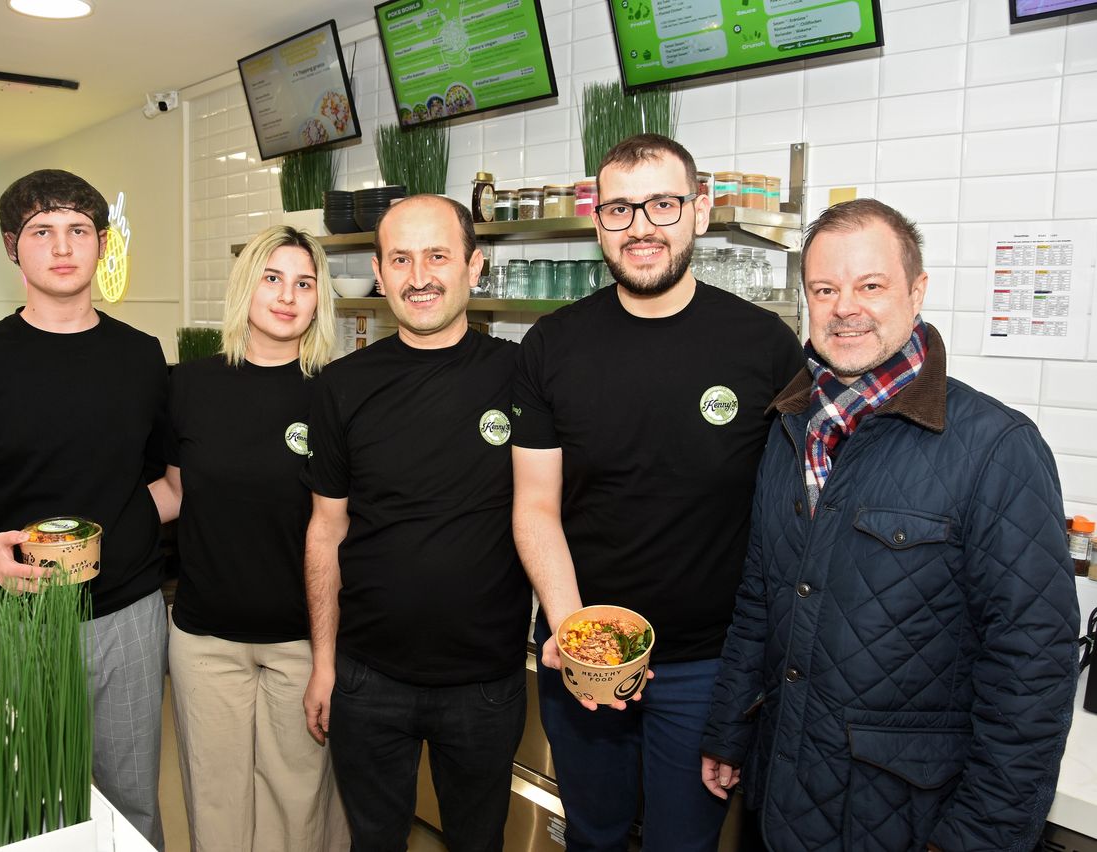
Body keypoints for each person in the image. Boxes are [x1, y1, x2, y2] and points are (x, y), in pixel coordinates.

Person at [699, 198, 1079, 851]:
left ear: (917, 291)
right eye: (825, 288)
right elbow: (760, 599)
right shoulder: (791, 428)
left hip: (905, 820)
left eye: (870, 285)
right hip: (781, 795)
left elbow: (1031, 672)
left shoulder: (996, 447)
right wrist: (730, 729)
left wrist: (977, 839)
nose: (846, 306)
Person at [511, 133, 804, 851]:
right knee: (595, 834)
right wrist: (578, 636)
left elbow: (792, 517)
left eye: (663, 204)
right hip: (584, 650)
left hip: (710, 667)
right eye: (619, 209)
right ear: (598, 221)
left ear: (700, 211)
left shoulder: (765, 345)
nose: (641, 226)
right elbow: (534, 507)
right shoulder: (551, 345)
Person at [0, 169, 170, 848]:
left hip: (129, 618)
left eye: (79, 230)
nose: (62, 246)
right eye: (42, 231)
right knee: (25, 805)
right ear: (11, 247)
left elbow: (162, 482)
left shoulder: (143, 358)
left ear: (102, 243)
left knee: (132, 804)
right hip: (11, 620)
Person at [301, 194, 531, 852]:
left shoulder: (520, 377)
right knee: (374, 841)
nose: (419, 275)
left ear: (475, 267)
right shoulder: (340, 387)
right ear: (379, 272)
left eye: (437, 255)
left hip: (485, 681)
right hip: (369, 677)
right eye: (401, 258)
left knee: (477, 841)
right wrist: (324, 663)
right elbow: (325, 532)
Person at [146, 225, 347, 852]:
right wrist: (78, 519)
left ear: (319, 300)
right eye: (273, 278)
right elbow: (174, 494)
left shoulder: (338, 393)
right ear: (246, 286)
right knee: (216, 806)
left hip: (301, 641)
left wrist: (329, 658)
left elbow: (343, 529)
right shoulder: (187, 386)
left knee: (298, 804)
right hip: (205, 638)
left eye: (304, 283)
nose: (288, 296)